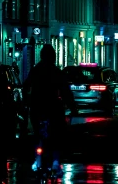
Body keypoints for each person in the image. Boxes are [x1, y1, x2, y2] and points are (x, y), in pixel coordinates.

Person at [22, 44, 78, 175]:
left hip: (37, 107)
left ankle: (37, 157)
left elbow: (26, 86)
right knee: (58, 133)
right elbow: (66, 92)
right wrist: (73, 108)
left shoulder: (35, 70)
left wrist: (27, 102)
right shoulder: (56, 72)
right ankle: (56, 162)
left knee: (36, 133)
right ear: (53, 57)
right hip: (53, 107)